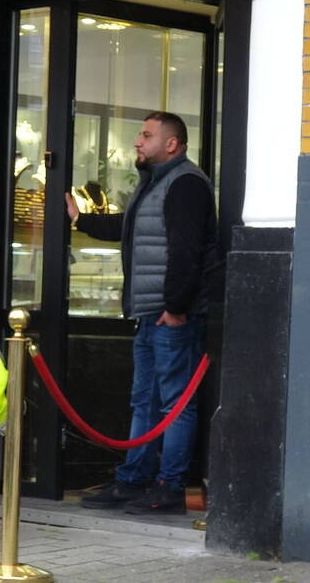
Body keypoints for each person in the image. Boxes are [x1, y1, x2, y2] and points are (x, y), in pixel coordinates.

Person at [69, 111, 216, 515]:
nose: (138, 141)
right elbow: (130, 227)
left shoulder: (186, 184)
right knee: (145, 402)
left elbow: (188, 252)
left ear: (172, 144)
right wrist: (81, 219)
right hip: (152, 314)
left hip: (171, 317)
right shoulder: (155, 184)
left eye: (146, 135)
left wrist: (175, 308)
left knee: (174, 404)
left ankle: (169, 488)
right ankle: (133, 480)